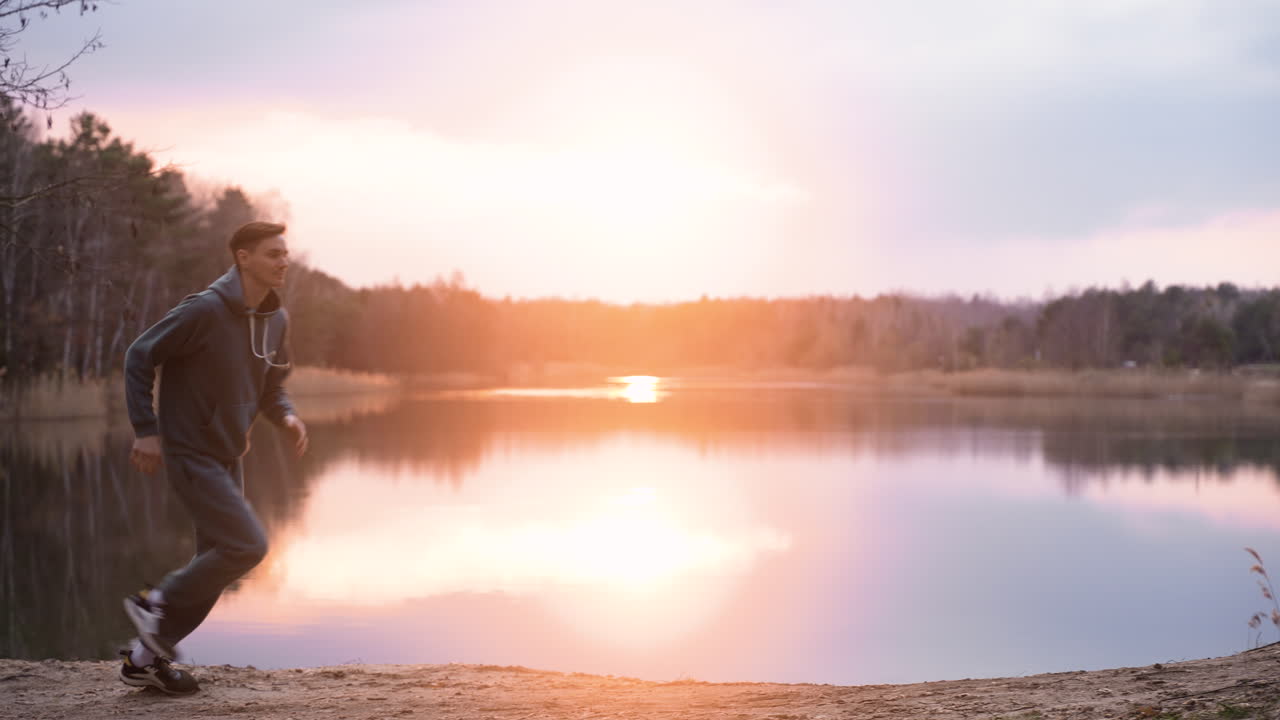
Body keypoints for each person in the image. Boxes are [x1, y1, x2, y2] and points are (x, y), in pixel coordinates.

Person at [118, 221, 308, 695]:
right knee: (248, 546)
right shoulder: (203, 310)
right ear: (243, 257)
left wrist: (285, 416)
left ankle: (144, 659)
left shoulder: (275, 320)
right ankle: (154, 601)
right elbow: (139, 355)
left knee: (217, 566)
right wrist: (147, 431)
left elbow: (271, 388)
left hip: (228, 454)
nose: (283, 261)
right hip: (189, 449)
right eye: (272, 254)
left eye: (285, 254)